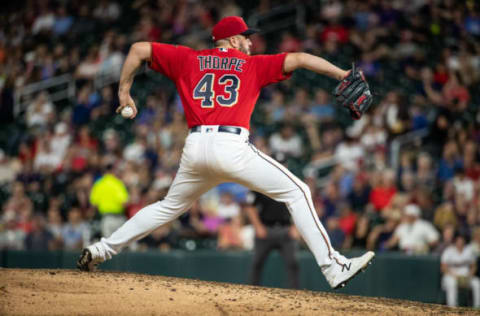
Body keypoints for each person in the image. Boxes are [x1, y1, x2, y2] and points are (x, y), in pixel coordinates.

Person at [78, 16, 374, 289]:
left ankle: (100, 250)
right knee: (297, 192)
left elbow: (138, 49)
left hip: (195, 148)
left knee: (167, 207)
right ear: (233, 41)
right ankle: (333, 267)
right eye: (246, 37)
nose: (250, 42)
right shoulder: (251, 64)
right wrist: (342, 73)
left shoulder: (189, 59)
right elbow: (299, 58)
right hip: (231, 146)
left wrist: (124, 92)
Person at [245, 152, 300, 289]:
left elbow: (301, 207)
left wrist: (296, 227)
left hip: (286, 230)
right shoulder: (260, 182)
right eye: (278, 164)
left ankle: (295, 296)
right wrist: (258, 227)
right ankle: (251, 294)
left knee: (293, 263)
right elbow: (250, 206)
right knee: (256, 264)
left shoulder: (293, 182)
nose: (281, 167)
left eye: (283, 164)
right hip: (265, 229)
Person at [441, 233, 480, 307]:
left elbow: (474, 266)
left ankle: (477, 307)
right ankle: (452, 307)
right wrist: (453, 275)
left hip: (466, 277)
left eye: (461, 241)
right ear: (455, 242)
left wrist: (470, 275)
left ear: (464, 242)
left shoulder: (469, 251)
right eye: (458, 241)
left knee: (477, 283)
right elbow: (443, 267)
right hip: (451, 276)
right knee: (451, 283)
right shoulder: (449, 251)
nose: (460, 243)